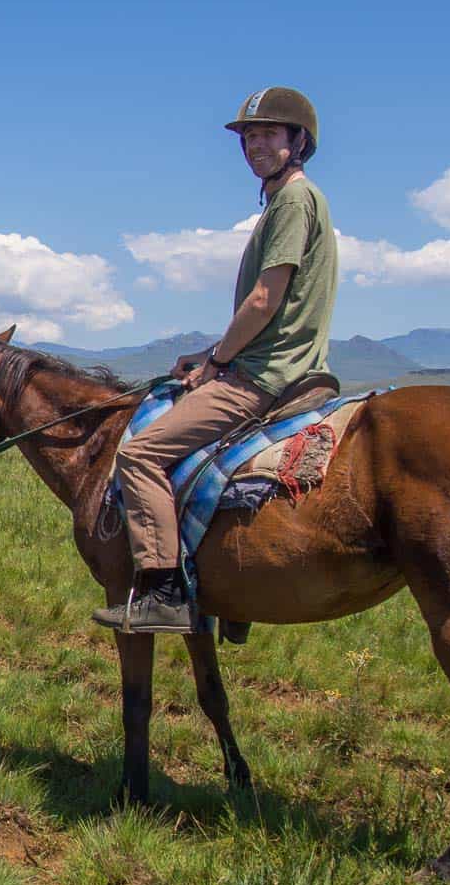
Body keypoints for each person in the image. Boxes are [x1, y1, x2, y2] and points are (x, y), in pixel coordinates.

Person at [93, 87, 338, 633]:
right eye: (249, 137)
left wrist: (216, 363)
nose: (254, 145)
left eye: (268, 134)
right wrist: (207, 353)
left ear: (298, 141)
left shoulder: (294, 201)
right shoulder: (289, 202)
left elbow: (263, 300)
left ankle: (164, 592)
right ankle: (228, 589)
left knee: (141, 455)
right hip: (278, 364)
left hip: (265, 374)